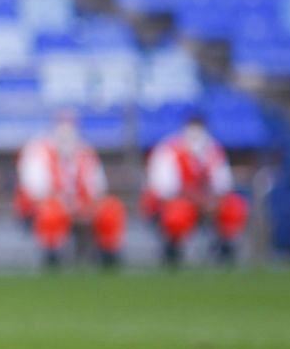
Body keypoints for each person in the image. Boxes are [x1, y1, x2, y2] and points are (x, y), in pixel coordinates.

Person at [15, 110, 125, 268]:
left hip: (81, 205)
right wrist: (66, 203)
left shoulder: (85, 152)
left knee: (111, 208)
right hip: (52, 204)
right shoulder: (38, 151)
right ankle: (51, 254)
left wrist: (85, 206)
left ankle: (108, 253)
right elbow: (36, 190)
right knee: (50, 211)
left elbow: (97, 188)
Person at [142, 111, 249, 265]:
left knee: (234, 205)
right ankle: (173, 249)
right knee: (178, 212)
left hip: (208, 204)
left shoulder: (213, 151)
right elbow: (166, 190)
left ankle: (226, 246)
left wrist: (212, 202)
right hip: (177, 204)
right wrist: (199, 201)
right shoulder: (169, 150)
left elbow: (223, 185)